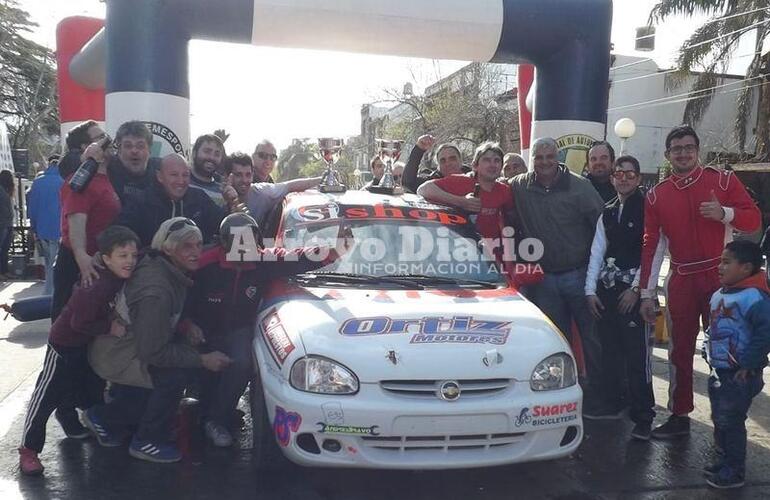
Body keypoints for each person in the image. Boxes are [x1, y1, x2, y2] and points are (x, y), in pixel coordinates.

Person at [188, 213, 353, 446]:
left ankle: (217, 420)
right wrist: (187, 325)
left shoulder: (263, 260)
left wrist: (334, 250)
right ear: (223, 243)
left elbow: (298, 258)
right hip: (200, 330)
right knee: (196, 372)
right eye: (237, 243)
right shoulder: (204, 263)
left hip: (238, 329)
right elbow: (178, 293)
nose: (244, 250)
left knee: (241, 363)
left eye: (250, 242)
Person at [639, 125, 761, 439]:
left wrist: (725, 213)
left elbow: (754, 219)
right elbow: (652, 245)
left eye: (688, 147)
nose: (682, 153)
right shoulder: (656, 195)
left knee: (725, 351)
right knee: (679, 352)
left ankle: (729, 419)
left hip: (721, 279)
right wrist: (646, 293)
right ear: (668, 155)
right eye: (676, 148)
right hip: (681, 279)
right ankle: (679, 415)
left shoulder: (722, 180)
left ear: (698, 150)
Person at [84, 218, 232, 463]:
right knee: (175, 374)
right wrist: (202, 360)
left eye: (198, 244)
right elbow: (153, 353)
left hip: (127, 346)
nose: (196, 252)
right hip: (117, 355)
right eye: (187, 246)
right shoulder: (156, 289)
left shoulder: (162, 266)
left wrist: (186, 326)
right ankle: (147, 439)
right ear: (168, 248)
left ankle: (108, 418)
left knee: (178, 361)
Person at [18, 226, 140, 475]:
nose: (130, 261)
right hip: (64, 345)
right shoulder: (95, 285)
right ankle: (28, 450)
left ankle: (80, 424)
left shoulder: (114, 275)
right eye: (123, 255)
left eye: (133, 255)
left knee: (86, 389)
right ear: (106, 259)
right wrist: (110, 327)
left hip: (84, 343)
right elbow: (78, 323)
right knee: (47, 395)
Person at [509, 137, 606, 411]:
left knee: (591, 337)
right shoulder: (519, 186)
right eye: (539, 158)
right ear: (532, 160)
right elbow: (488, 190)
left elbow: (602, 226)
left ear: (558, 157)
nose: (544, 162)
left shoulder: (580, 187)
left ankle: (598, 395)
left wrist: (596, 274)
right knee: (556, 341)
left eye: (550, 156)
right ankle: (561, 394)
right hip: (545, 279)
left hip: (579, 274)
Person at [585, 155, 656, 433]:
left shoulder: (648, 208)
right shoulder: (609, 210)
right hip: (607, 290)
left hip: (635, 292)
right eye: (619, 173)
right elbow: (597, 252)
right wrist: (590, 291)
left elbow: (652, 250)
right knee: (610, 352)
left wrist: (637, 289)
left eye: (630, 173)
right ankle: (613, 403)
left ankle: (643, 416)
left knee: (637, 356)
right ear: (613, 177)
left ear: (638, 178)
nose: (623, 178)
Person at [703, 240, 770, 489]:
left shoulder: (754, 298)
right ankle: (724, 460)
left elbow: (766, 333)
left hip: (740, 374)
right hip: (719, 370)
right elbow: (713, 328)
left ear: (746, 268)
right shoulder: (719, 294)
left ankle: (735, 469)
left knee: (731, 420)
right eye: (721, 261)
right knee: (720, 418)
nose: (720, 266)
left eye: (726, 262)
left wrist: (749, 364)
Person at [52, 137, 122, 320]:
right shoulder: (82, 178)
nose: (106, 141)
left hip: (97, 259)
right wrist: (81, 255)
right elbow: (76, 216)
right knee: (70, 322)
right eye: (99, 139)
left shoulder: (105, 178)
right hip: (79, 262)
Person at [116, 153, 225, 247]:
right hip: (155, 266)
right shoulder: (141, 201)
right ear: (160, 176)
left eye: (185, 175)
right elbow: (120, 234)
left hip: (196, 265)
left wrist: (232, 205)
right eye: (174, 175)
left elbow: (223, 225)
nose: (180, 181)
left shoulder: (199, 198)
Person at [418, 141, 514, 242]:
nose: (492, 165)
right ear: (475, 165)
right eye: (486, 160)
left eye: (497, 161)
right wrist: (461, 201)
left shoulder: (504, 190)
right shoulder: (459, 181)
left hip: (492, 252)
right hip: (461, 249)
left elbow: (510, 220)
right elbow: (423, 189)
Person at [27, 156, 64, 294]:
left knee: (48, 262)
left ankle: (48, 292)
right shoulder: (63, 182)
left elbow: (32, 207)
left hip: (42, 228)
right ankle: (51, 293)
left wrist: (34, 227)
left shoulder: (37, 183)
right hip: (58, 229)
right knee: (55, 263)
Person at [106, 121, 158, 204]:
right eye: (128, 146)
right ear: (119, 150)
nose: (134, 151)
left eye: (140, 146)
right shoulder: (106, 169)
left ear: (149, 150)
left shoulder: (161, 170)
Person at [245, 174, 321, 227]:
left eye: (248, 175)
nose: (244, 180)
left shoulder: (262, 192)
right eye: (238, 175)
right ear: (232, 177)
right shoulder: (233, 198)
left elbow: (289, 186)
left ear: (252, 176)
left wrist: (324, 179)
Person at [402, 135, 467, 193]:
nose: (448, 163)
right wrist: (419, 149)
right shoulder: (434, 181)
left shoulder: (473, 175)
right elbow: (408, 183)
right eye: (443, 160)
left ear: (460, 160)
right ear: (438, 166)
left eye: (452, 158)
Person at [189, 134, 229, 208]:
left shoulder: (223, 192)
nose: (211, 157)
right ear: (194, 153)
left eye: (217, 154)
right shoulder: (182, 182)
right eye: (207, 151)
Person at [0, 170, 14, 279]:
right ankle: (2, 271)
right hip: (3, 223)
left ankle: (4, 271)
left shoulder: (5, 191)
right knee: (2, 248)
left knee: (5, 248)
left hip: (7, 223)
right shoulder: (3, 191)